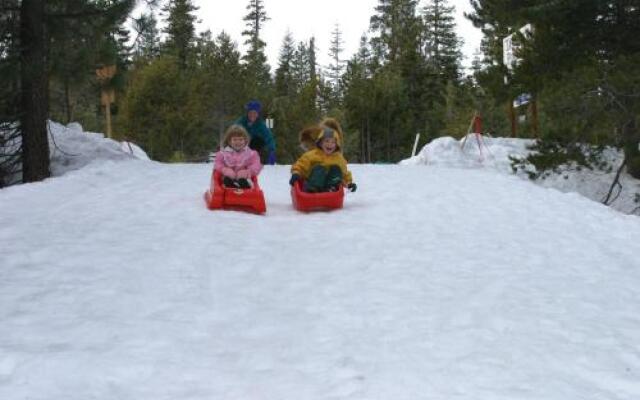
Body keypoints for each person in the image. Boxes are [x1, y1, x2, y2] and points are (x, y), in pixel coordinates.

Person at [289, 118, 357, 193]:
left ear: (336, 145)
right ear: (320, 143)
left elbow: (344, 173)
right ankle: (313, 188)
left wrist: (349, 183)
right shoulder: (312, 154)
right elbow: (300, 165)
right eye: (326, 141)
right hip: (312, 183)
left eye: (333, 142)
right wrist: (296, 173)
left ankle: (332, 188)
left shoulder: (339, 158)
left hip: (330, 186)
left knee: (336, 169)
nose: (329, 144)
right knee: (319, 168)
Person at [214, 124, 262, 189]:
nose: (238, 142)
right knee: (225, 179)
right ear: (229, 141)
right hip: (228, 176)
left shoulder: (250, 154)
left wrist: (248, 171)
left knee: (245, 180)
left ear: (245, 141)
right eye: (235, 139)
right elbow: (218, 163)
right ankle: (229, 186)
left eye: (240, 139)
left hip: (244, 177)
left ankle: (245, 187)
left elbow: (256, 165)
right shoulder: (223, 153)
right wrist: (224, 170)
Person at [235, 100, 276, 165]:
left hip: (254, 146)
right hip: (242, 144)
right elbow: (231, 132)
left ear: (258, 114)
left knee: (258, 141)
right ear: (247, 113)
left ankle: (253, 160)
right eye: (250, 113)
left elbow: (269, 137)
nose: (252, 115)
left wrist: (272, 150)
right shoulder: (241, 122)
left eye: (255, 113)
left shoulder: (261, 124)